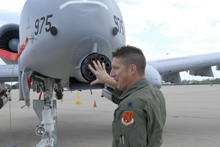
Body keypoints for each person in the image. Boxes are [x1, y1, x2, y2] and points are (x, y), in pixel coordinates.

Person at [88, 46, 166, 147]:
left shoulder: (132, 105)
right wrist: (107, 79)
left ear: (132, 69)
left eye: (116, 68)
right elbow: (128, 92)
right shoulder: (155, 92)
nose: (111, 74)